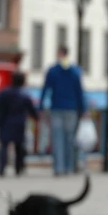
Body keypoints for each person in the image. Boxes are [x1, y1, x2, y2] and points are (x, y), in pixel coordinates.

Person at [40, 46, 85, 177]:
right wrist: (83, 108)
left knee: (57, 139)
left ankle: (58, 168)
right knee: (69, 139)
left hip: (57, 107)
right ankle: (68, 167)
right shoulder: (75, 71)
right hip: (71, 109)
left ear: (59, 53)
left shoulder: (53, 71)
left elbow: (45, 89)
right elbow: (80, 91)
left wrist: (41, 106)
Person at [0, 72, 38, 177]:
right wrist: (35, 117)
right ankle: (18, 169)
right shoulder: (24, 95)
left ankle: (1, 169)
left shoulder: (4, 92)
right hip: (19, 123)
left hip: (5, 122)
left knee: (4, 146)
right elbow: (32, 110)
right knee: (19, 147)